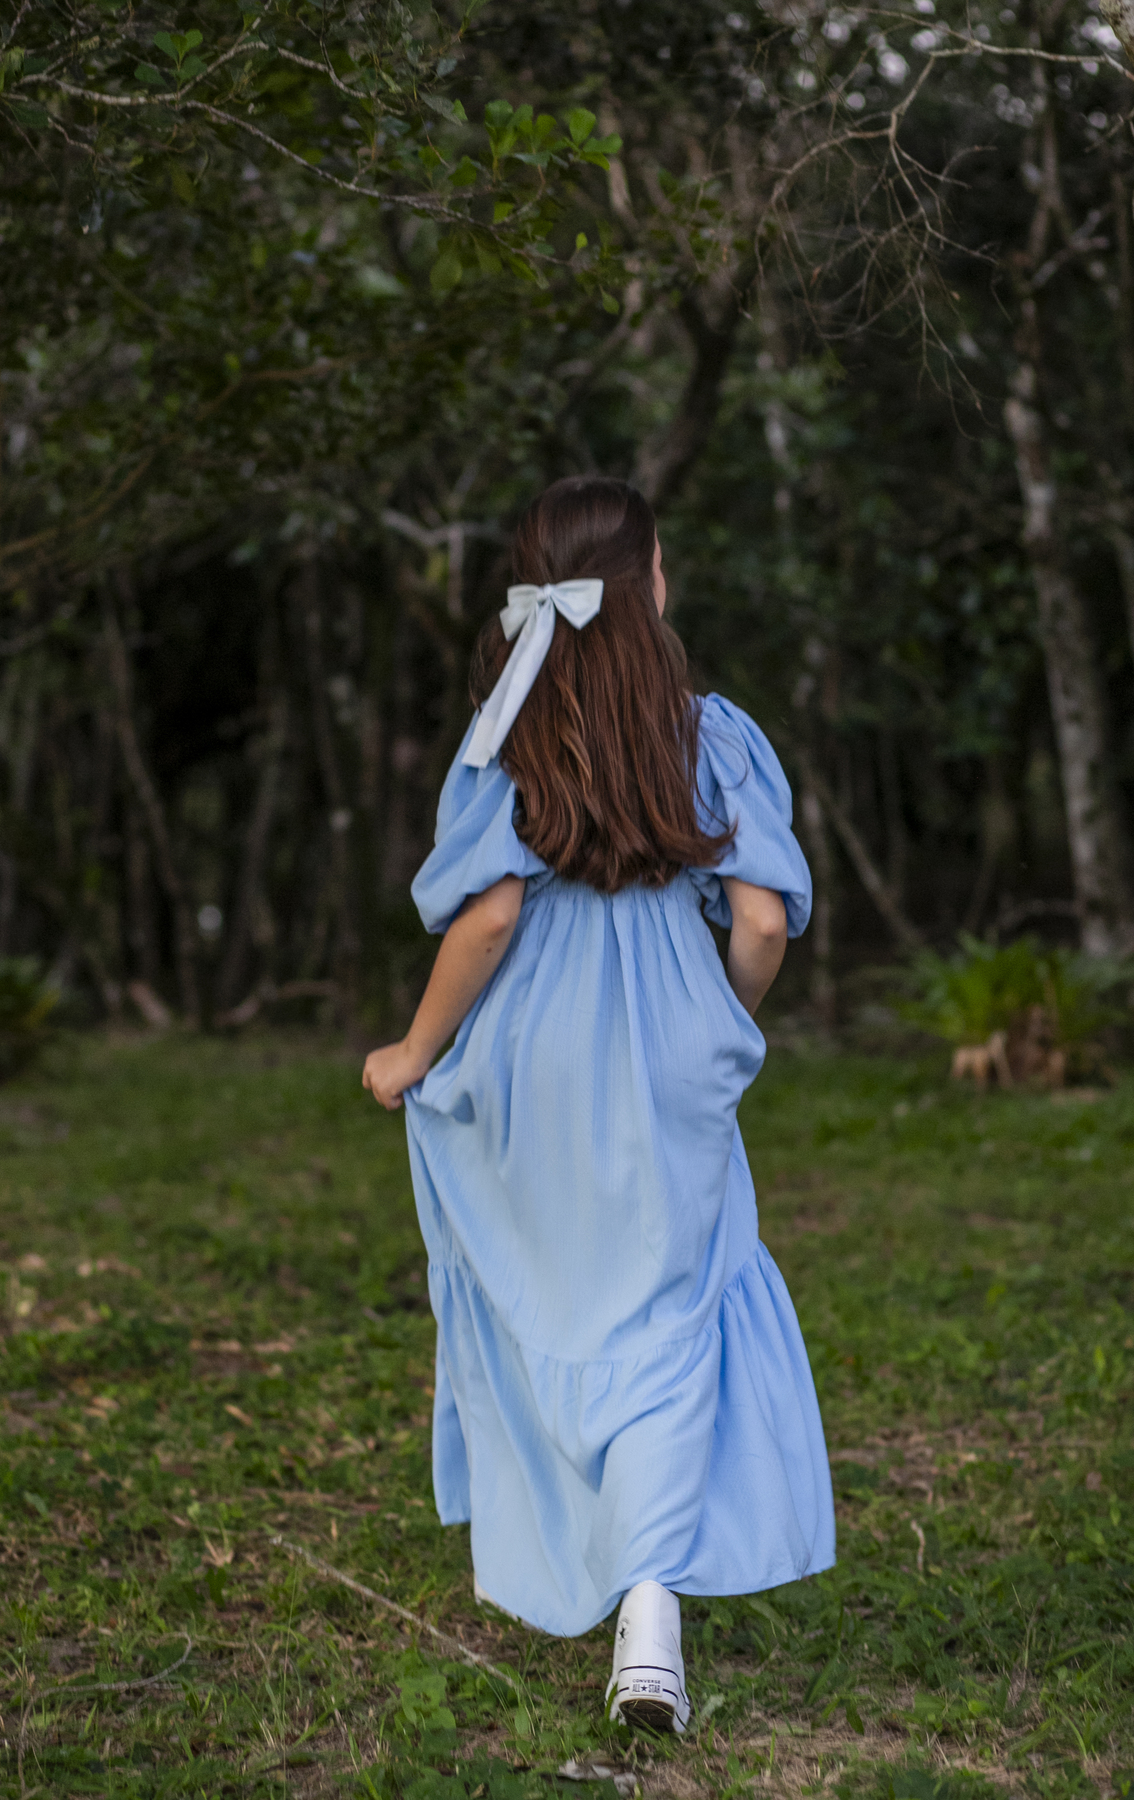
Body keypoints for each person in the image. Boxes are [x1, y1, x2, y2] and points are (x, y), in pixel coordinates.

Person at [363, 476, 834, 1735]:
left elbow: (491, 916)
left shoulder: (508, 735)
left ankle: (585, 1535)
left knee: (556, 1289)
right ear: (652, 586)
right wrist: (721, 1017)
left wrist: (413, 1051)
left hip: (537, 1047)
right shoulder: (712, 735)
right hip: (672, 1035)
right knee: (674, 1303)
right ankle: (651, 1615)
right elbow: (761, 919)